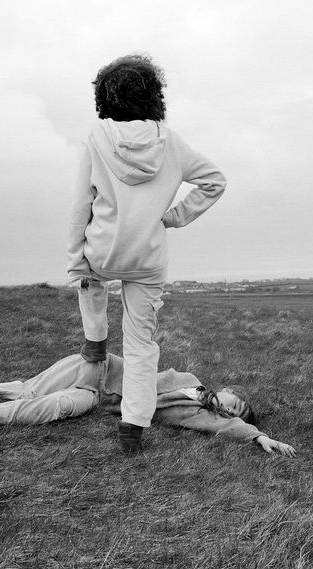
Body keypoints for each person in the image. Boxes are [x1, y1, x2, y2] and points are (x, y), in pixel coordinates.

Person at [66, 54, 227, 453]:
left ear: (105, 97)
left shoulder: (96, 136)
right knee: (141, 345)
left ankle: (95, 339)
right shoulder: (170, 142)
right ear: (154, 95)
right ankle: (132, 430)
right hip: (148, 258)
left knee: (88, 278)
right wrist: (173, 217)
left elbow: (81, 203)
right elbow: (214, 181)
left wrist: (75, 260)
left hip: (103, 250)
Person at [0, 353, 296, 457]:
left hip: (96, 396)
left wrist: (258, 436)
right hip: (99, 365)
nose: (229, 408)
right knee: (29, 391)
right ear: (225, 390)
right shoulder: (187, 379)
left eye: (233, 411)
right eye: (234, 402)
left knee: (61, 406)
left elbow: (222, 426)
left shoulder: (191, 413)